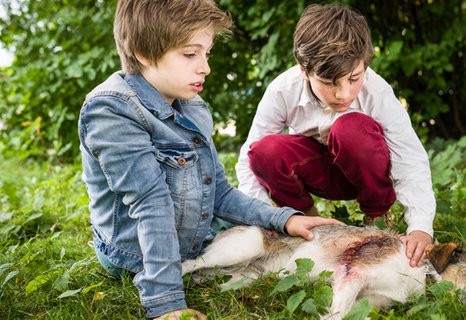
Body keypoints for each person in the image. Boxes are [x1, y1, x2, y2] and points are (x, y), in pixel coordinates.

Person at [78, 1, 341, 319]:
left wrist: (285, 219)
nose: (205, 67)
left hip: (193, 235)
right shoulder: (111, 110)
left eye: (207, 53)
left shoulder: (192, 106)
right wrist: (167, 303)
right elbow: (151, 205)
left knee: (278, 244)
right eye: (190, 54)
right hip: (135, 253)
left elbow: (218, 192)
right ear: (144, 54)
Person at [236, 3, 436, 269]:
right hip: (316, 172)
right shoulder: (282, 90)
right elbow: (248, 161)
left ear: (365, 64)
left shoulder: (377, 91)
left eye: (354, 78)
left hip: (364, 171)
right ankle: (305, 222)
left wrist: (421, 226)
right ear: (304, 71)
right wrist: (270, 218)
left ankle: (376, 217)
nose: (343, 93)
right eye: (330, 83)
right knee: (263, 150)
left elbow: (410, 159)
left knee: (349, 128)